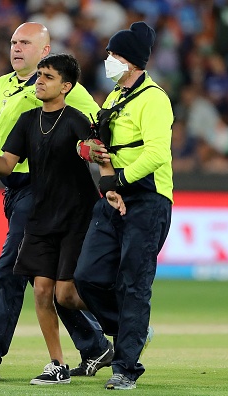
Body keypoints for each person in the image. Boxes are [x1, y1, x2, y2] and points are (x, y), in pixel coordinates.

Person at [0, 22, 113, 381]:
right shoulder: (0, 87)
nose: (16, 48)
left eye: (25, 42)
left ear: (45, 50)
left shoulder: (62, 86)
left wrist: (99, 160)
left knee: (11, 272)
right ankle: (94, 344)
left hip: (42, 191)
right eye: (13, 41)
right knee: (40, 279)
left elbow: (97, 124)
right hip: (14, 191)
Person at [73, 21, 174, 390]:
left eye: (114, 55)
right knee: (86, 277)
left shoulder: (154, 99)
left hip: (148, 199)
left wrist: (118, 180)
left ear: (131, 61)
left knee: (133, 283)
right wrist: (89, 151)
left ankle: (126, 368)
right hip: (114, 196)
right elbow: (101, 147)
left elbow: (157, 154)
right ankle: (133, 332)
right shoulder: (114, 98)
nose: (108, 60)